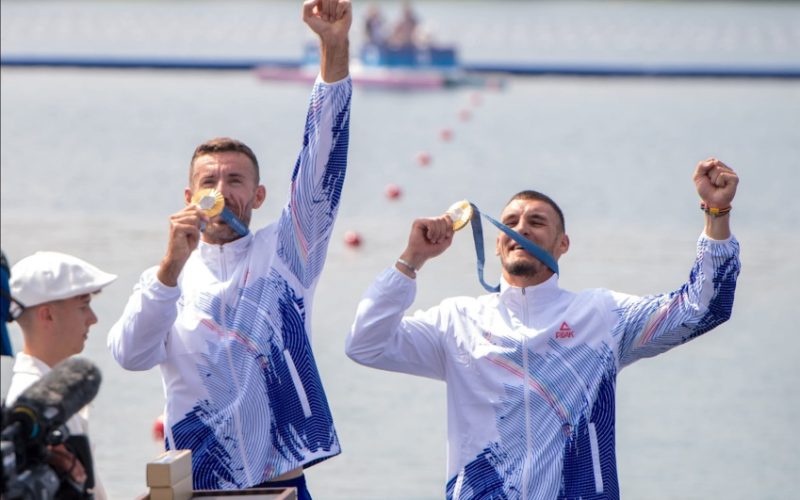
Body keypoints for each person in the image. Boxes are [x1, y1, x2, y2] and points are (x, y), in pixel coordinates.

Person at [347, 158, 740, 499]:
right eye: (512, 223)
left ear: (563, 243)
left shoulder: (601, 314)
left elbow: (701, 309)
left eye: (537, 222)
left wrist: (715, 215)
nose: (524, 228)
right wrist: (412, 259)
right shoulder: (457, 321)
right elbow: (365, 344)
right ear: (499, 243)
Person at [107, 0, 352, 497]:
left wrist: (333, 46)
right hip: (195, 487)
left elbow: (322, 158)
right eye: (209, 180)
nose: (221, 190)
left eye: (235, 180)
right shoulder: (165, 281)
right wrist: (170, 267)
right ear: (188, 196)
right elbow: (130, 356)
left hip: (280, 484)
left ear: (258, 196)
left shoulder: (287, 254)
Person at [6, 250, 116, 500]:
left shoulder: (49, 393)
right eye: (83, 306)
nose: (93, 319)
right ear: (47, 314)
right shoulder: (34, 407)